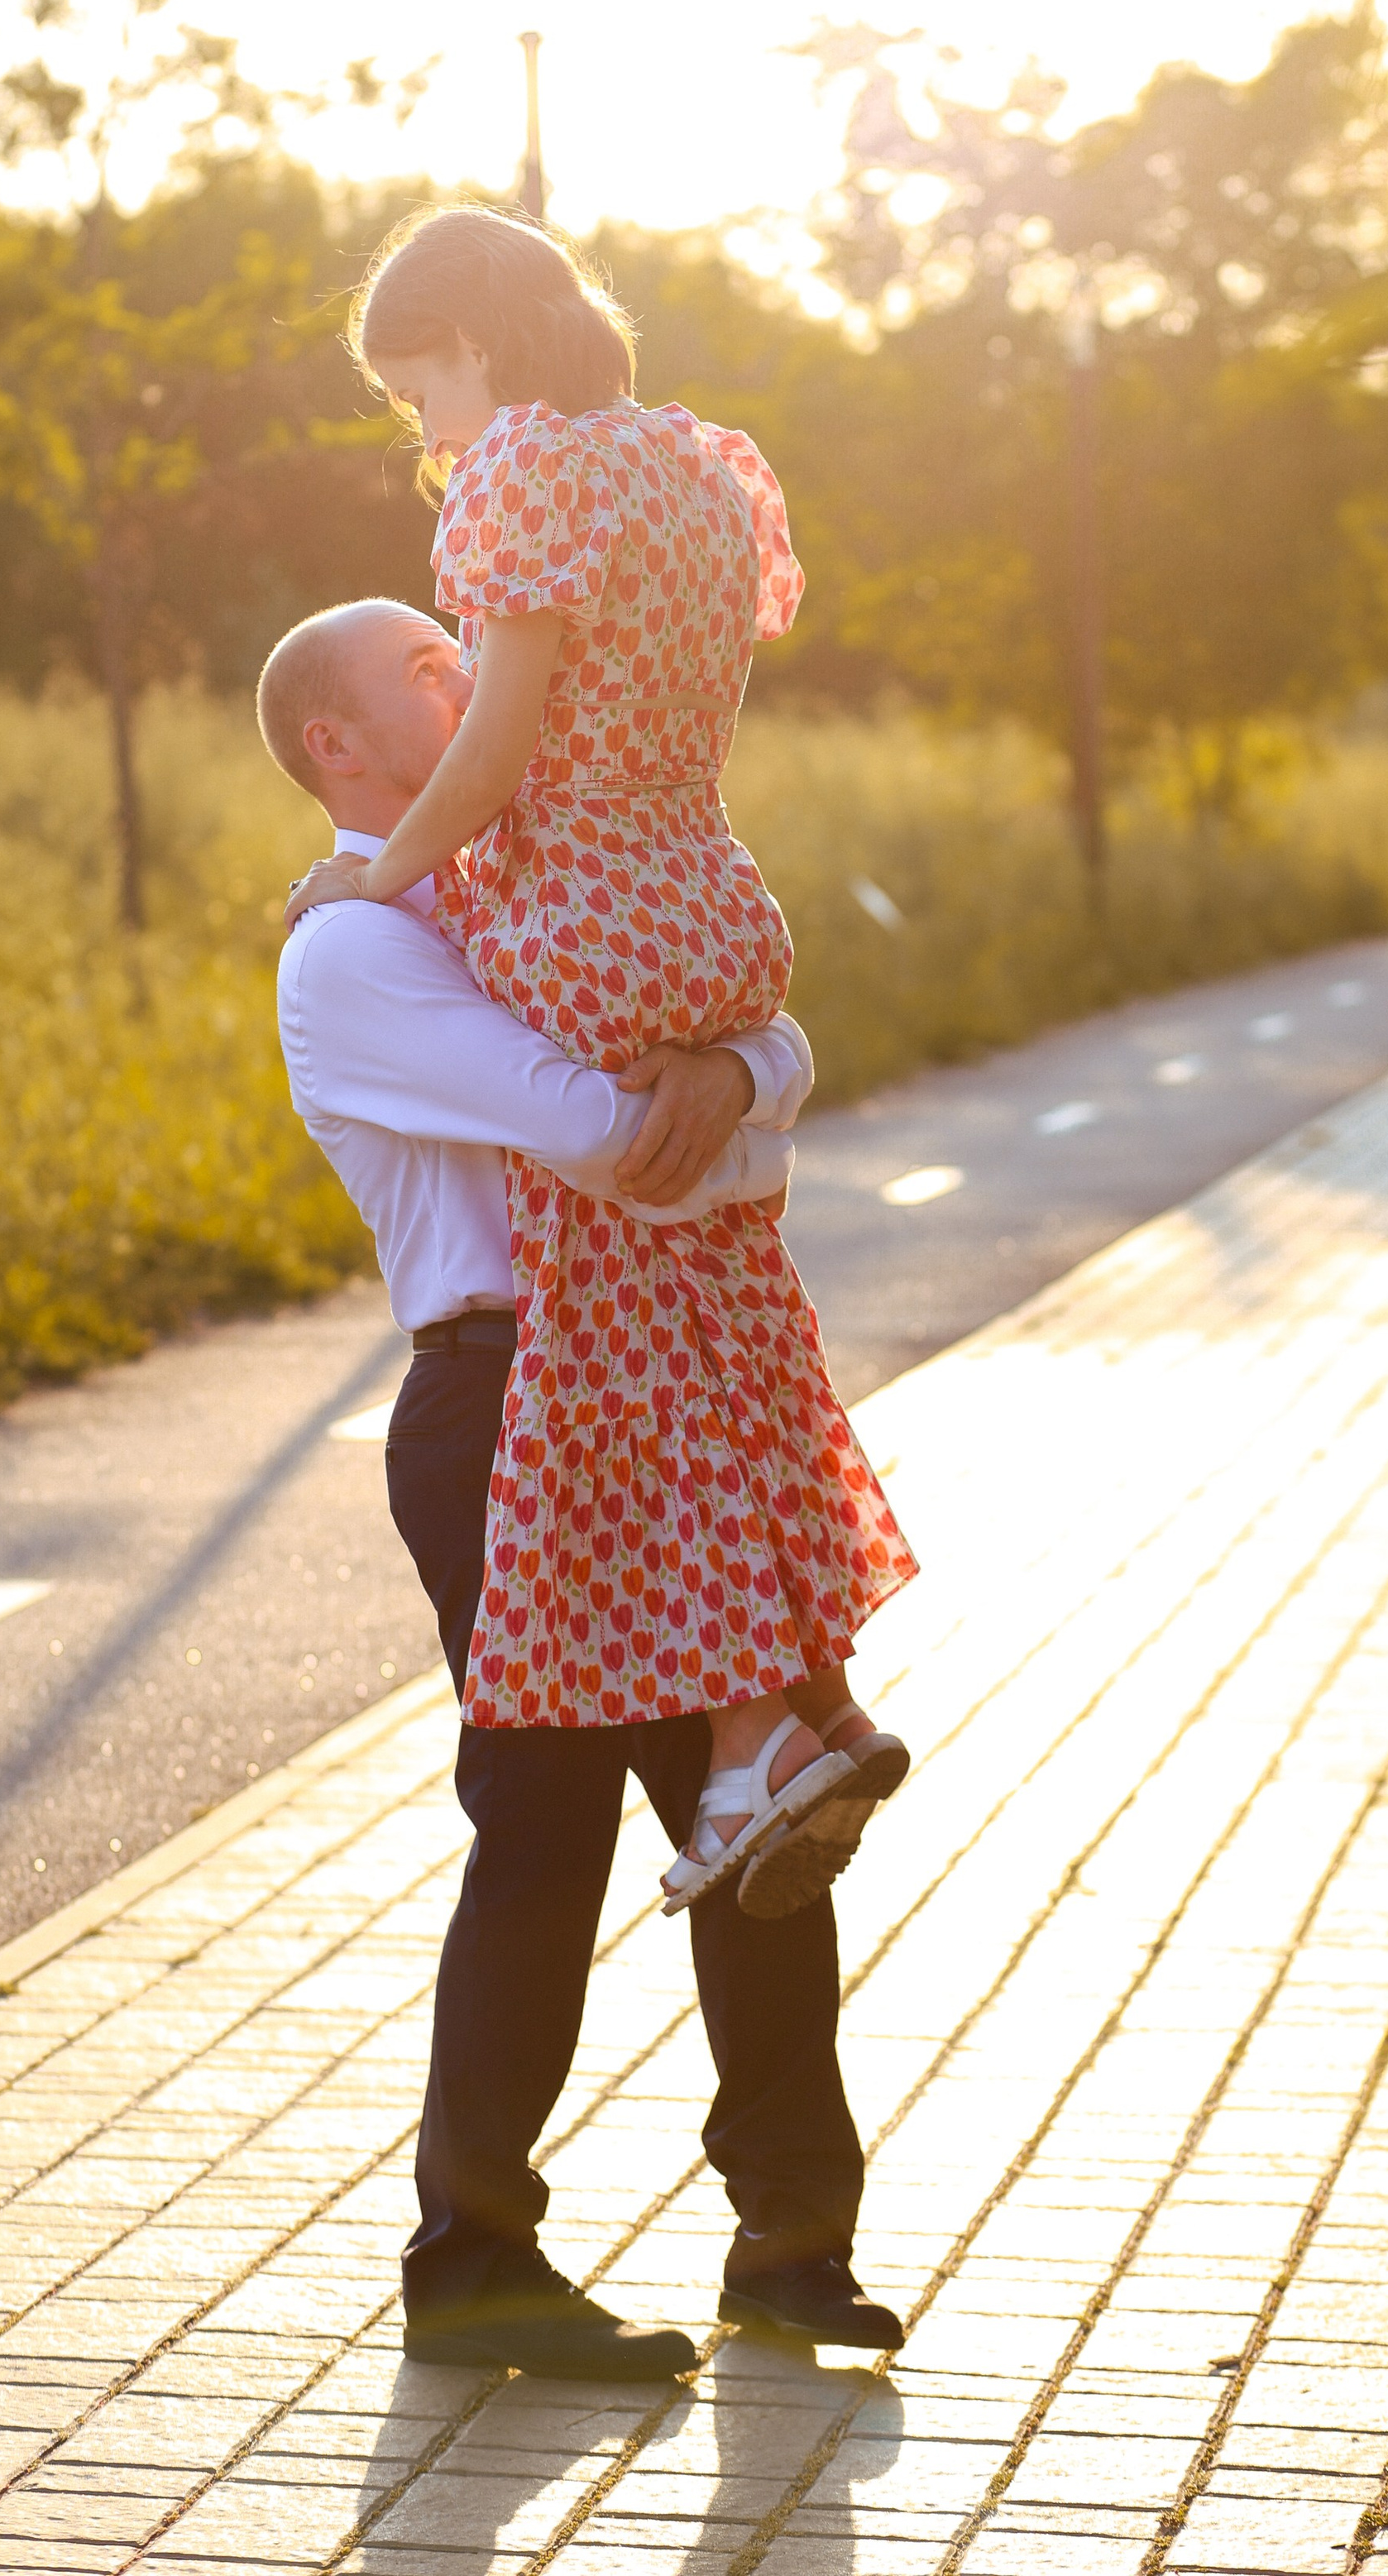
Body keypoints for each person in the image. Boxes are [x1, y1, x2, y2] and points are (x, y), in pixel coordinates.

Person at [261, 596, 905, 2378]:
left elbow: (769, 1057)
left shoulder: (539, 883)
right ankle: (472, 2262)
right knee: (542, 1836)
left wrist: (734, 1063)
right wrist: (702, 1091)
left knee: (759, 1818)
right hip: (504, 1399)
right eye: (419, 669)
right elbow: (604, 1137)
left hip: (649, 1388)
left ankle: (792, 2239)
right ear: (335, 747)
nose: (468, 675)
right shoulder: (360, 949)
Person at [284, 208, 917, 1921]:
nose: (424, 434)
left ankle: (745, 1755)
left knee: (612, 1355)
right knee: (723, 1327)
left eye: (418, 387)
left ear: (474, 343)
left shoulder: (521, 477)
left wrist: (381, 869)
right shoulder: (696, 464)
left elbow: (496, 744)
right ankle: (797, 1709)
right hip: (703, 896)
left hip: (579, 914)